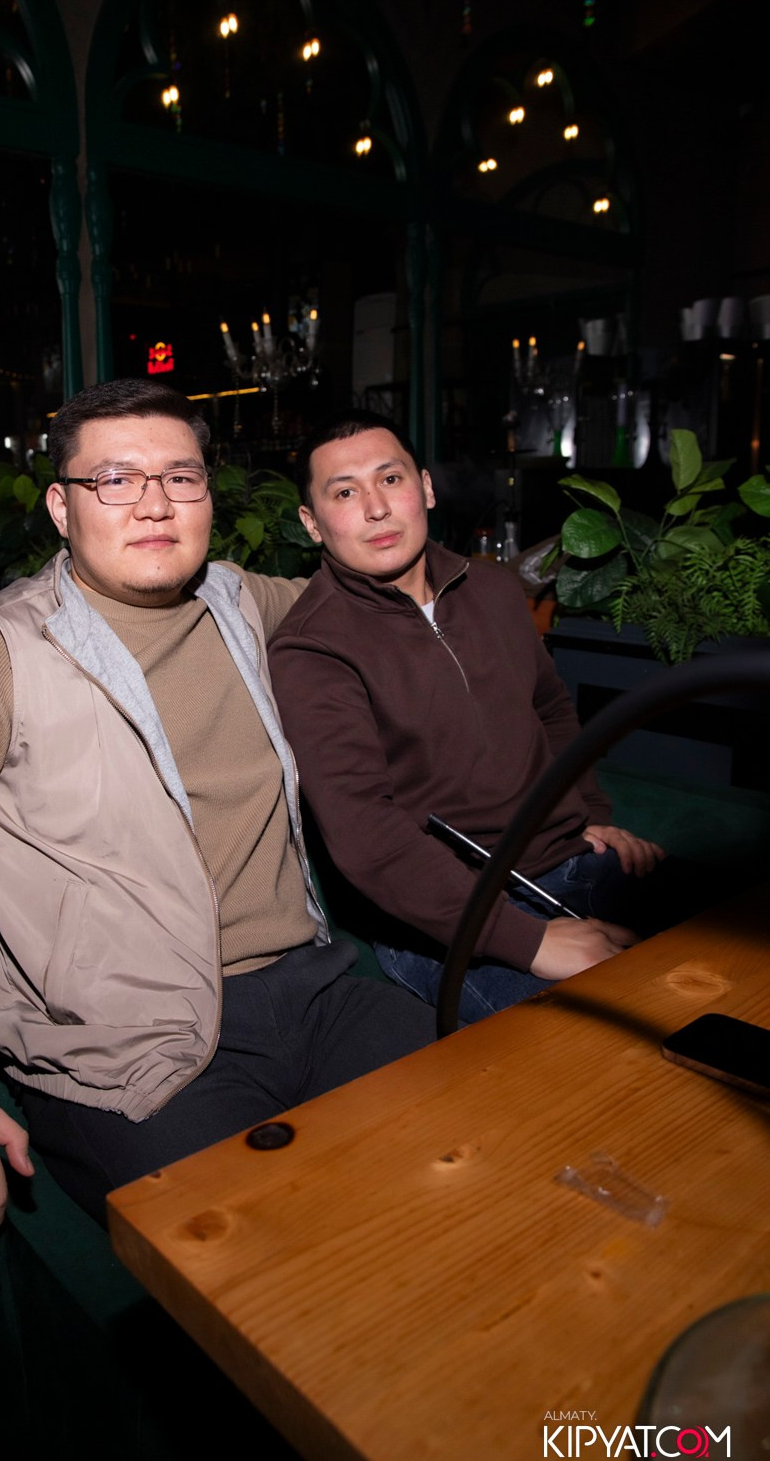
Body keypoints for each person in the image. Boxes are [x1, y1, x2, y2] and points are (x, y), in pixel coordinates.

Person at [0, 380, 436, 1272]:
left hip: (321, 991)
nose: (153, 504)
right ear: (61, 508)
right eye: (114, 479)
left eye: (180, 478)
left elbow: (388, 606)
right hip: (132, 1048)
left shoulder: (242, 604)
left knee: (485, 1160)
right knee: (282, 1270)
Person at [268, 412, 666, 1024]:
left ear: (425, 488)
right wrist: (531, 941)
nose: (376, 508)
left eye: (390, 479)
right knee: (589, 1042)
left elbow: (551, 710)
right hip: (444, 916)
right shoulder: (311, 648)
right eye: (345, 493)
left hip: (569, 861)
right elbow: (367, 834)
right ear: (312, 523)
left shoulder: (493, 589)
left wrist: (592, 813)